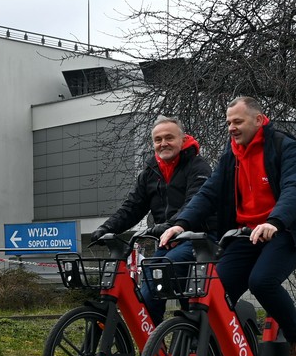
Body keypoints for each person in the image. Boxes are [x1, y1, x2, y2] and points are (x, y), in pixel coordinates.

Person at [160, 96, 296, 356]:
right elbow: (209, 192)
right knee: (215, 293)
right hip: (246, 234)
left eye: (238, 121)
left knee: (262, 281)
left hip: (287, 229)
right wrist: (181, 223)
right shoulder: (231, 154)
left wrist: (275, 221)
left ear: (258, 120)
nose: (231, 128)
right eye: (228, 123)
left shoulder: (284, 146)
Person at [89, 115, 212, 324]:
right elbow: (133, 207)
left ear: (182, 140)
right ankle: (154, 349)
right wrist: (107, 228)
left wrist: (171, 225)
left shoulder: (198, 167)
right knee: (147, 297)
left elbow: (194, 203)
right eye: (158, 139)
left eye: (169, 138)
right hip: (167, 241)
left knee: (163, 269)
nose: (163, 143)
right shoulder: (150, 172)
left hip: (198, 240)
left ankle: (193, 339)